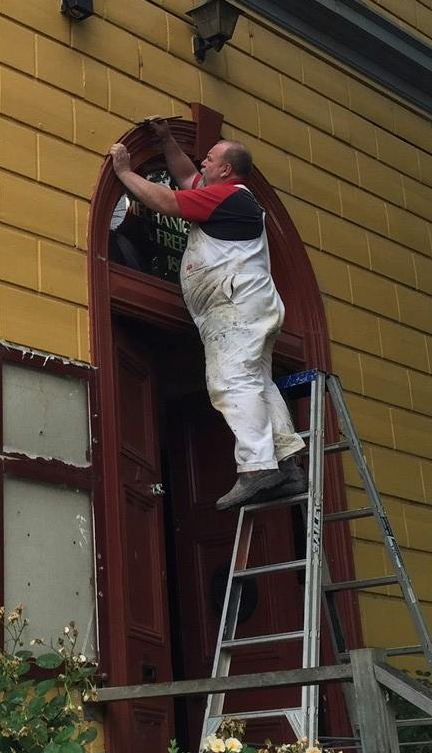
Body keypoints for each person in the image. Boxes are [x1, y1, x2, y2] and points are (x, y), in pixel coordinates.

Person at [109, 120, 306, 510]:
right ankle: (286, 463)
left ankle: (257, 468)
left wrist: (125, 172)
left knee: (231, 381)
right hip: (246, 305)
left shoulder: (229, 197)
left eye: (210, 159)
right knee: (258, 382)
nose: (202, 162)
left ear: (226, 170)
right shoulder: (229, 198)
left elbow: (167, 200)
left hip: (235, 306)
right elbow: (184, 176)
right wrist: (166, 142)